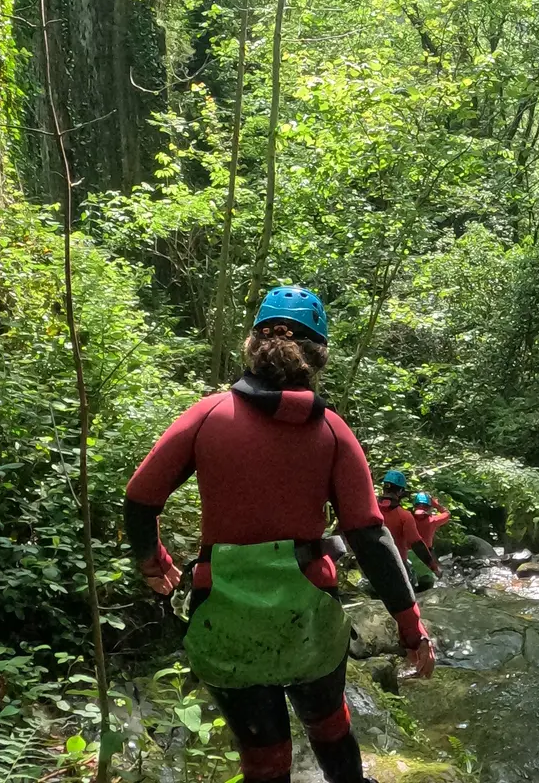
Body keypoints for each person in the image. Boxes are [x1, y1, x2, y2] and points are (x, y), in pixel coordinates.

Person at [124, 286, 434, 783]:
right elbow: (369, 537)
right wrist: (410, 625)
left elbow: (140, 499)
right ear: (318, 357)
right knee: (330, 726)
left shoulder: (206, 416)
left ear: (251, 345)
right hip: (307, 620)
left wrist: (153, 559)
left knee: (264, 758)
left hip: (222, 613)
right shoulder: (333, 431)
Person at [377, 470, 439, 593]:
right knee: (425, 584)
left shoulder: (370, 508)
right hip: (397, 566)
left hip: (371, 566)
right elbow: (417, 545)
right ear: (400, 492)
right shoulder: (404, 516)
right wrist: (434, 568)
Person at [411, 492, 450, 581]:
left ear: (415, 505)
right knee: (438, 576)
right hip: (427, 554)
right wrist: (436, 504)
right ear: (429, 507)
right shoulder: (433, 520)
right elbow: (447, 513)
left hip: (409, 553)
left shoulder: (407, 517)